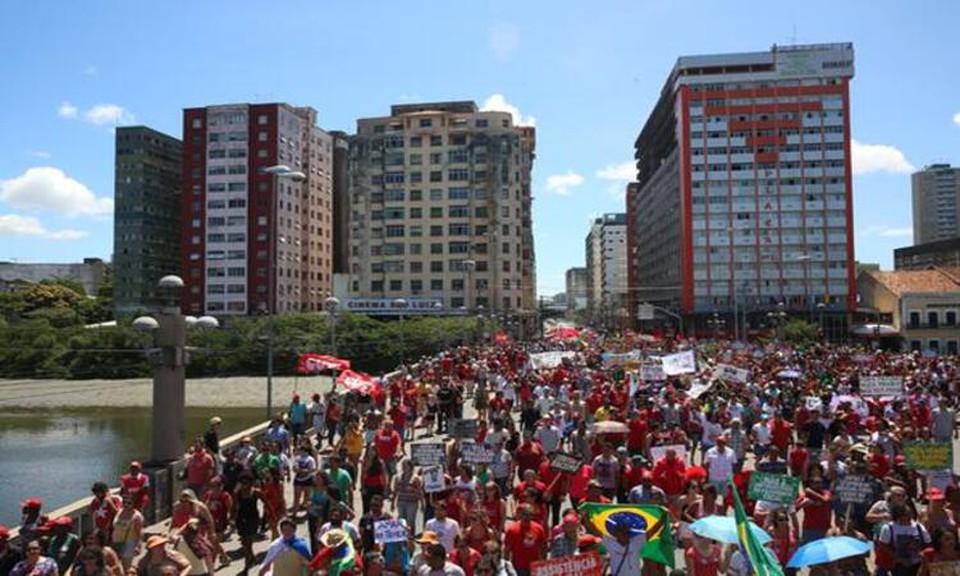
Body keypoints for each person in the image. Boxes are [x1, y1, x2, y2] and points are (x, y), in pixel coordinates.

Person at [877, 504, 931, 576]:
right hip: (899, 565)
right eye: (906, 514)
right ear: (898, 516)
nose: (910, 516)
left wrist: (922, 555)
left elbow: (928, 543)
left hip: (918, 563)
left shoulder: (919, 527)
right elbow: (883, 545)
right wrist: (897, 557)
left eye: (910, 513)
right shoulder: (888, 528)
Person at [502, 505, 546, 576]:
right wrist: (507, 566)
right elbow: (507, 550)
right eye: (524, 514)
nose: (526, 517)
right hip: (518, 567)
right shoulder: (512, 530)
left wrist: (543, 563)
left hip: (534, 566)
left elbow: (543, 547)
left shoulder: (539, 528)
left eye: (529, 514)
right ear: (519, 515)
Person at [110, 496, 144, 570]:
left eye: (129, 503)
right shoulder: (119, 512)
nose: (126, 505)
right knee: (116, 566)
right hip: (116, 542)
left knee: (127, 567)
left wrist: (138, 546)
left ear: (134, 504)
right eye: (124, 502)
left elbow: (139, 533)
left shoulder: (136, 516)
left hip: (129, 543)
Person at [392, 459, 423, 534]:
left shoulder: (416, 478)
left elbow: (419, 491)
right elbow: (395, 491)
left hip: (412, 502)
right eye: (403, 465)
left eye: (405, 465)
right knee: (402, 521)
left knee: (410, 521)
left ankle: (411, 537)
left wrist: (422, 503)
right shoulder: (398, 477)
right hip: (401, 501)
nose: (404, 467)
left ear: (410, 467)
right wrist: (392, 502)